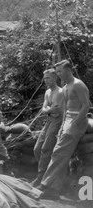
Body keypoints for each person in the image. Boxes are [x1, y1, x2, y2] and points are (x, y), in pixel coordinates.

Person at [38, 60, 90, 200]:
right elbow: (66, 109)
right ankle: (53, 191)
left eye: (60, 71)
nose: (59, 74)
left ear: (68, 70)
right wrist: (62, 127)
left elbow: (86, 107)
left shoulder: (78, 85)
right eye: (58, 71)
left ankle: (45, 184)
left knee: (58, 153)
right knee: (60, 156)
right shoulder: (66, 87)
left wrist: (74, 124)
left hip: (77, 121)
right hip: (66, 121)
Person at [31, 69, 64, 188]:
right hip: (49, 121)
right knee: (37, 149)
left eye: (48, 78)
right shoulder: (48, 92)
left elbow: (56, 111)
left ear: (55, 78)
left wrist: (48, 110)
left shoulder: (60, 92)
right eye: (44, 78)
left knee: (46, 149)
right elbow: (44, 110)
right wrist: (48, 110)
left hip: (58, 121)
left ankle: (41, 178)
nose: (46, 80)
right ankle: (45, 173)